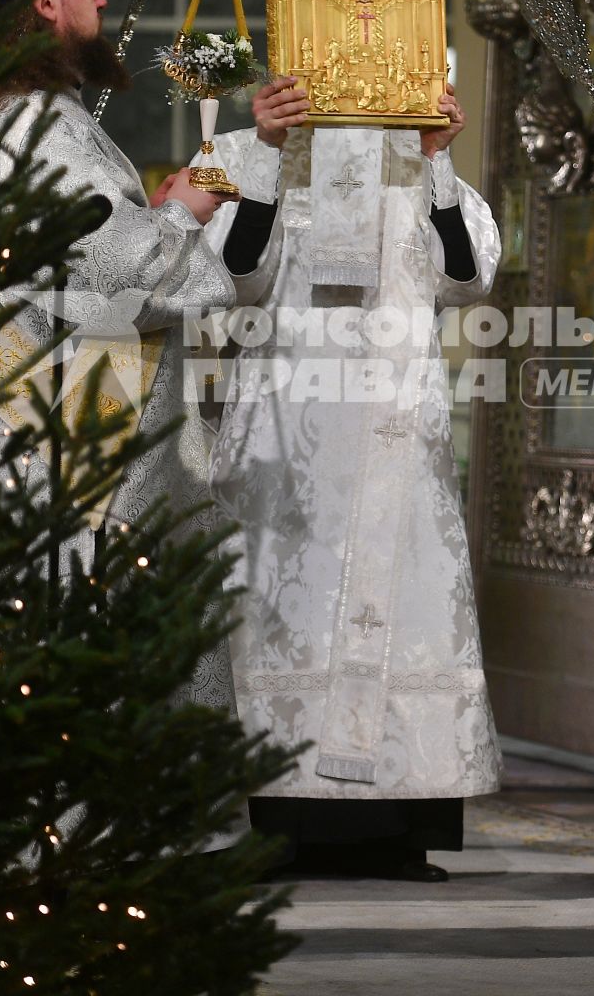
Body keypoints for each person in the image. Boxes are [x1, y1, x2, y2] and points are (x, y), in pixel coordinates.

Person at [0, 0, 245, 841]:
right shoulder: (41, 127)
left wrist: (166, 206)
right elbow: (128, 273)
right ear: (43, 5)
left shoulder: (18, 117)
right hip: (80, 457)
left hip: (57, 434)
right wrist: (194, 209)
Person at [196, 77, 500, 882]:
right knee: (281, 610)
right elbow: (230, 277)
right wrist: (264, 149)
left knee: (404, 612)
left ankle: (398, 831)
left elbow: (466, 279)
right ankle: (280, 823)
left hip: (397, 431)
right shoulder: (247, 152)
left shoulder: (419, 161)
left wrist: (436, 159)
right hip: (286, 438)